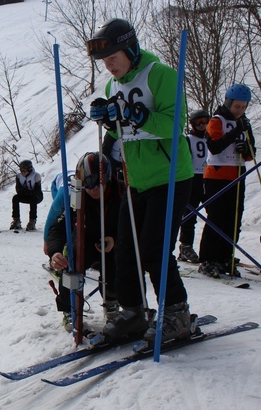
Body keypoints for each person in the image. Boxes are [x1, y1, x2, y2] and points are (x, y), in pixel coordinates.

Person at [87, 18, 194, 344]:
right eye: (104, 61)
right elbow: (125, 134)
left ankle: (177, 313)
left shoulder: (161, 75)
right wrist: (109, 122)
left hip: (170, 176)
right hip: (136, 180)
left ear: (131, 49)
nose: (109, 65)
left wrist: (138, 115)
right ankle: (134, 311)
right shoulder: (112, 87)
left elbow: (175, 125)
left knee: (154, 251)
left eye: (114, 57)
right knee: (125, 251)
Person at [46, 152, 121, 330]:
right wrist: (54, 252)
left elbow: (136, 227)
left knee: (117, 263)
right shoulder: (77, 198)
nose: (93, 190)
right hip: (84, 241)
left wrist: (115, 240)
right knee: (70, 260)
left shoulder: (122, 194)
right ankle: (69, 309)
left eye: (98, 184)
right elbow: (57, 228)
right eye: (88, 185)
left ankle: (112, 302)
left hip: (114, 243)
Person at [197, 84, 256, 278]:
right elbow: (214, 146)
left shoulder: (244, 123)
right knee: (216, 218)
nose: (240, 111)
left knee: (233, 219)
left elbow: (251, 153)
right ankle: (208, 259)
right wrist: (234, 134)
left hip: (237, 175)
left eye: (243, 107)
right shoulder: (217, 120)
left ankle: (225, 257)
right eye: (237, 106)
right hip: (216, 177)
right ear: (228, 103)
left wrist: (245, 148)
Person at [177, 109, 210, 263]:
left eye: (205, 121)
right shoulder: (188, 139)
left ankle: (213, 248)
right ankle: (185, 246)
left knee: (214, 213)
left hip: (209, 177)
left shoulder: (211, 138)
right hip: (193, 177)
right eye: (199, 122)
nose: (203, 125)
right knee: (190, 213)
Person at [10, 160, 43, 230]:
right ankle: (16, 220)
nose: (23, 172)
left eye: (24, 170)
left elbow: (37, 190)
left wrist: (28, 192)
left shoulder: (36, 176)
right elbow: (18, 189)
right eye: (21, 170)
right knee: (15, 198)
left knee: (33, 200)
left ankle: (32, 221)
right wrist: (23, 191)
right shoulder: (19, 176)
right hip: (25, 194)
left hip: (36, 195)